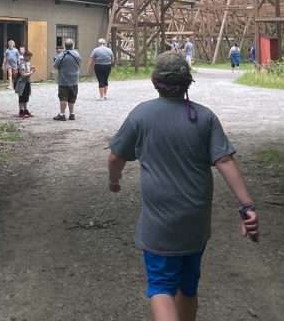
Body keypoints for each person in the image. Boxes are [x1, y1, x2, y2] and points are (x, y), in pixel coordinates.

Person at [107, 52, 259, 321]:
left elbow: (116, 157)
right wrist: (247, 205)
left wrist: (114, 180)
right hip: (195, 222)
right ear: (188, 82)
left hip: (159, 223)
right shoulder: (204, 116)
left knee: (161, 287)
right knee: (188, 288)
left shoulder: (141, 114)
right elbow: (225, 160)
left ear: (154, 81)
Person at [52, 38, 81, 121]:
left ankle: (62, 114)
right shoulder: (77, 54)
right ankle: (72, 114)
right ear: (73, 45)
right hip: (74, 80)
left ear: (65, 46)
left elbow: (56, 66)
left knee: (63, 97)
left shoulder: (62, 55)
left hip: (63, 80)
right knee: (72, 97)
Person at [15, 49, 35, 118]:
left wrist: (31, 69)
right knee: (22, 97)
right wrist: (31, 73)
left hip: (27, 83)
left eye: (30, 58)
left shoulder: (27, 64)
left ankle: (25, 110)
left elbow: (27, 71)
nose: (30, 59)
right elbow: (23, 75)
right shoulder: (22, 64)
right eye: (29, 57)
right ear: (25, 56)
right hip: (22, 84)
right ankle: (21, 111)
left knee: (26, 97)